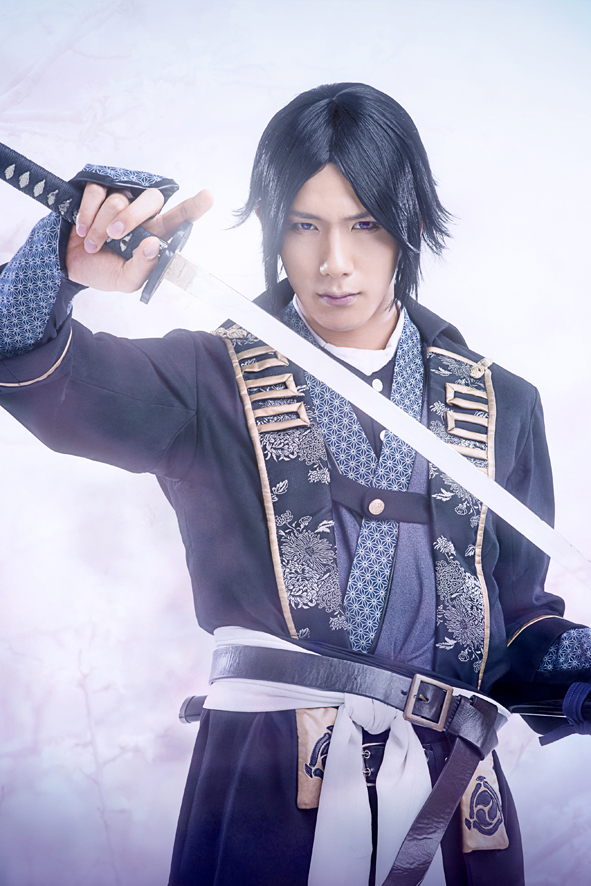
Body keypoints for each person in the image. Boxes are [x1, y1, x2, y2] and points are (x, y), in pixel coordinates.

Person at [1, 82, 590, 886]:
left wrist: (576, 662)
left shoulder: (501, 405)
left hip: (454, 814)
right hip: (269, 795)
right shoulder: (205, 380)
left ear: (412, 226)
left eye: (365, 224)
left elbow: (511, 632)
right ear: (273, 229)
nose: (333, 262)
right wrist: (59, 262)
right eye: (304, 226)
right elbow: (33, 370)